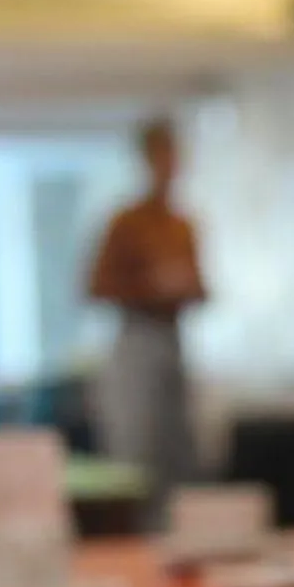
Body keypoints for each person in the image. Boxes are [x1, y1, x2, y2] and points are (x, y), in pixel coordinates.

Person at [88, 117, 206, 508]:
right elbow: (95, 287)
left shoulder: (182, 225)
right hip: (136, 338)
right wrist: (148, 287)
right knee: (135, 449)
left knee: (180, 452)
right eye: (162, 154)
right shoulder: (126, 222)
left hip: (173, 339)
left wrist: (183, 288)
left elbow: (202, 288)